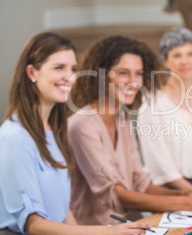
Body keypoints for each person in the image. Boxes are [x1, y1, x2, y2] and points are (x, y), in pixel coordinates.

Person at [0, 32, 151, 235]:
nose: (69, 76)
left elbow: (63, 211)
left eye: (73, 69)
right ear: (32, 73)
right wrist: (109, 232)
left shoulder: (54, 132)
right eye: (59, 67)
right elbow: (33, 225)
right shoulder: (15, 137)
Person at [68, 35, 192, 225]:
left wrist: (190, 193)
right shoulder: (81, 125)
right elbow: (114, 194)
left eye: (139, 74)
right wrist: (185, 201)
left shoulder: (123, 120)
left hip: (120, 227)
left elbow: (139, 183)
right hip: (89, 230)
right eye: (123, 73)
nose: (133, 82)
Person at [137, 27, 192, 191]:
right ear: (165, 61)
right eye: (177, 55)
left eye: (190, 54)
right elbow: (158, 163)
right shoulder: (152, 102)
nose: (185, 61)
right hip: (168, 190)